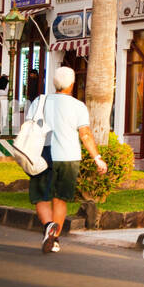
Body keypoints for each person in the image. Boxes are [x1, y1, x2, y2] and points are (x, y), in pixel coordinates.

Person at [26, 65, 106, 254]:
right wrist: (97, 158)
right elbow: (85, 134)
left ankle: (48, 227)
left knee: (41, 197)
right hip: (69, 157)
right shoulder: (78, 106)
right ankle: (54, 240)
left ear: (54, 83)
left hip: (42, 154)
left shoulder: (40, 101)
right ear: (72, 84)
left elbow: (29, 126)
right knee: (60, 199)